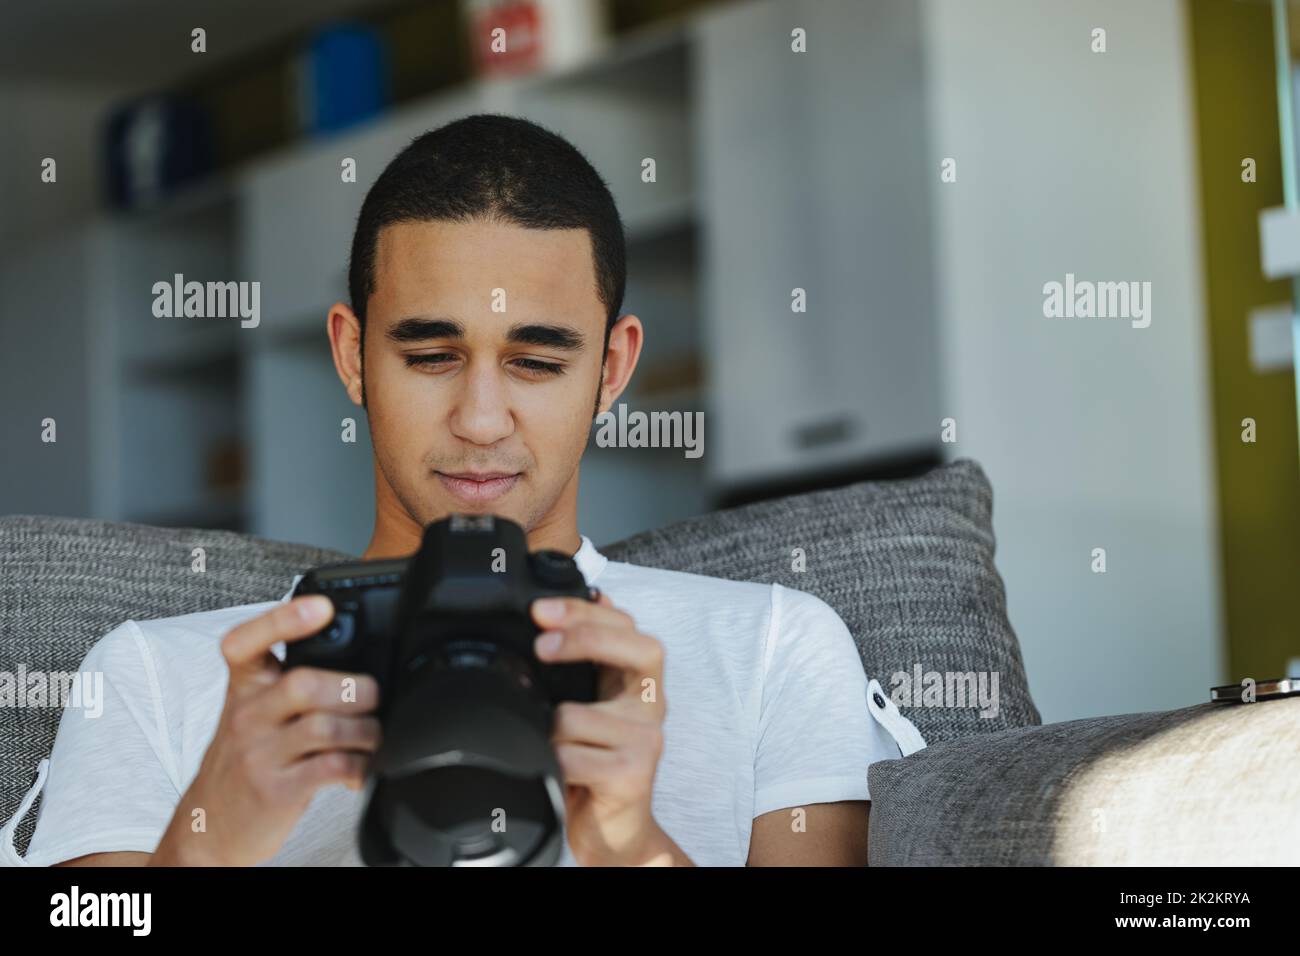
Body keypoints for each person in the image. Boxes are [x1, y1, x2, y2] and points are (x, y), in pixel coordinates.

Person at [1, 115, 917, 867]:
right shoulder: (152, 677)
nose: (481, 420)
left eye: (535, 361)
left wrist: (630, 845)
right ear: (353, 356)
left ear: (613, 368)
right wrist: (216, 833)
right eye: (432, 356)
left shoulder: (773, 648)